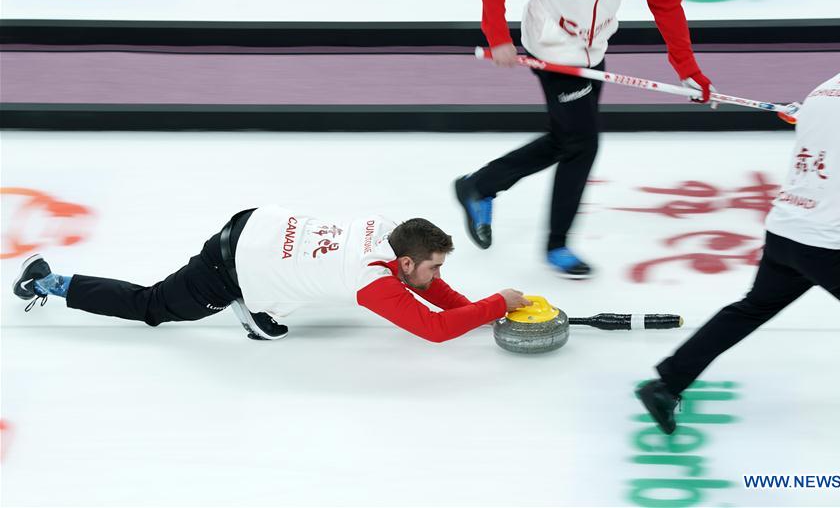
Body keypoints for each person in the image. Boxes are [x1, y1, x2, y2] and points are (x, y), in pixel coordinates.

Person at [637, 8, 840, 435]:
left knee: (750, 308)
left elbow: (833, 168)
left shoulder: (820, 93)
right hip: (832, 245)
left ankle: (667, 383)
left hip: (787, 231)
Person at [455, 0, 714, 278]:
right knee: (583, 143)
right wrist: (498, 37)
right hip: (553, 50)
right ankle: (556, 244)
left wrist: (688, 70)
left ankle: (478, 186)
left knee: (567, 139)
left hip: (594, 50)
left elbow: (667, 5)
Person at [12, 206, 531, 342]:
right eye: (433, 264)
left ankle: (260, 311)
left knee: (294, 283)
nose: (437, 274)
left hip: (257, 225)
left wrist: (480, 310)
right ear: (405, 263)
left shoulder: (394, 231)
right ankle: (45, 281)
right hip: (228, 266)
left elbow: (431, 287)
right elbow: (434, 330)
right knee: (152, 306)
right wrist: (497, 305)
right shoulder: (371, 283)